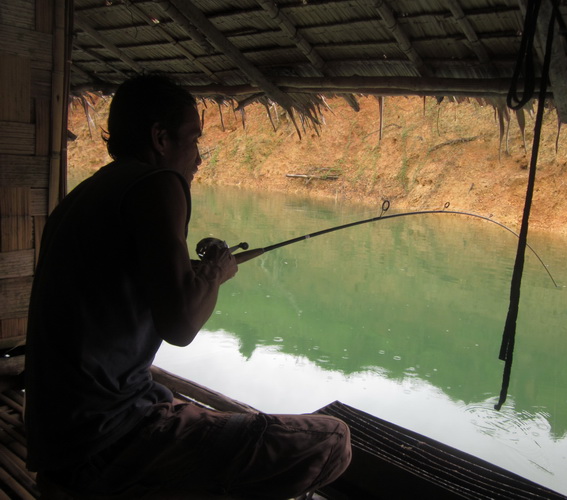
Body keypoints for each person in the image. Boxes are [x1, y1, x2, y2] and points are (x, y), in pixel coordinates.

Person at [24, 75, 351, 499]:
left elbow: (129, 278)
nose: (198, 159)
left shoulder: (84, 195)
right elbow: (179, 326)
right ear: (160, 137)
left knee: (166, 396)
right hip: (107, 445)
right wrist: (215, 273)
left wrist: (208, 268)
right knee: (331, 441)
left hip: (58, 449)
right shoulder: (157, 183)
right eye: (193, 139)